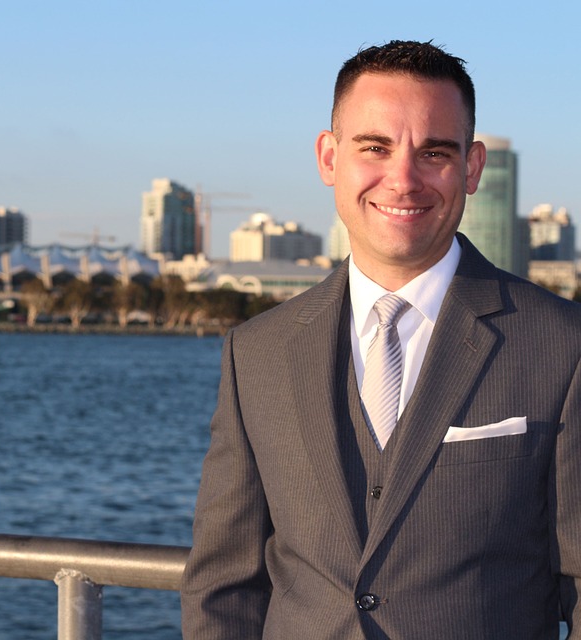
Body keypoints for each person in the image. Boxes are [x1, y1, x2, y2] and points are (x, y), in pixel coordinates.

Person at [180, 40, 581, 639]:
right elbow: (224, 586)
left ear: (471, 168)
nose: (403, 179)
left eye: (435, 152)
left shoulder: (562, 345)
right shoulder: (255, 352)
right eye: (376, 147)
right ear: (329, 157)